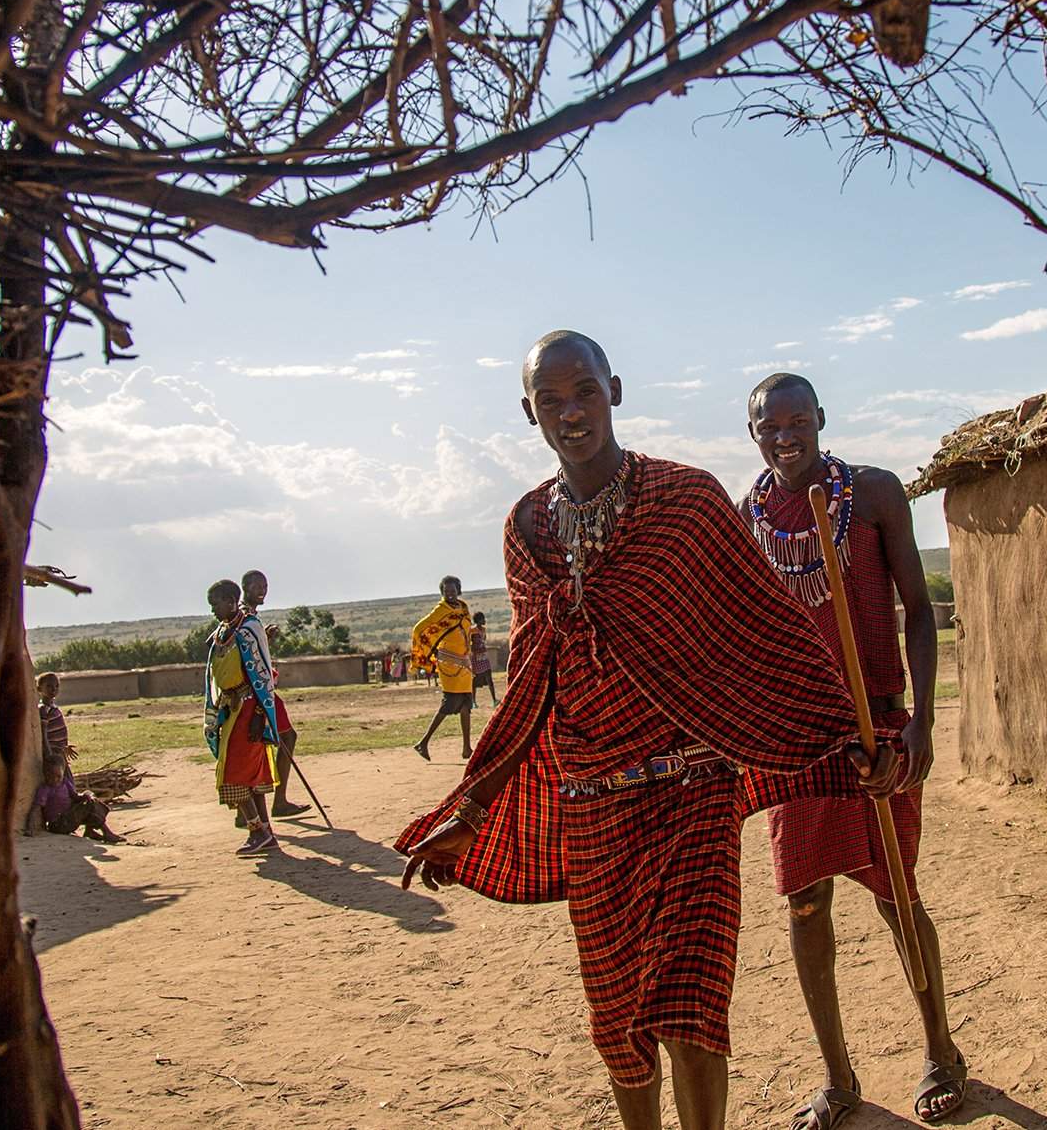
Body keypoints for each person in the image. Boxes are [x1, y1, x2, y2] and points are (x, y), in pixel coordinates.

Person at [397, 331, 902, 1130]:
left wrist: (848, 736)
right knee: (619, 1022)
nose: (571, 412)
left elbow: (765, 632)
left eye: (585, 391)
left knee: (691, 1007)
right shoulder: (528, 526)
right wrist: (471, 807)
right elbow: (530, 680)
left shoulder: (687, 501)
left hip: (694, 790)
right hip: (593, 802)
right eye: (551, 398)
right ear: (527, 410)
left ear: (615, 390)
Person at [743, 373, 967, 1127]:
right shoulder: (751, 519)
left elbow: (917, 610)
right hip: (800, 744)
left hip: (879, 728)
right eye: (769, 425)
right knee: (805, 905)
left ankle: (941, 1049)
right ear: (753, 434)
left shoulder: (871, 493)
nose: (785, 436)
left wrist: (921, 722)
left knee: (897, 894)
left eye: (798, 420)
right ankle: (838, 1077)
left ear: (820, 420)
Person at [202, 578, 282, 856]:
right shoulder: (224, 632)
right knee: (246, 774)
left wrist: (260, 714)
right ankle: (265, 833)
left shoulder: (248, 630)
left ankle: (257, 831)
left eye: (216, 605)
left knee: (234, 774)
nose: (213, 611)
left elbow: (262, 674)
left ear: (230, 601)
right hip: (232, 708)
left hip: (249, 708)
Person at [241, 569, 307, 817]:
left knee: (258, 745)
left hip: (258, 689)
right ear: (246, 587)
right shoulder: (244, 616)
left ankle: (247, 810)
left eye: (265, 585)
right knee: (285, 738)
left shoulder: (248, 616)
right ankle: (279, 802)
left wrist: (265, 638)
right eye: (257, 585)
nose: (263, 590)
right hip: (258, 691)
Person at [410, 576, 476, 759]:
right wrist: (426, 652)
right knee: (450, 703)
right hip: (448, 663)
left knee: (465, 705)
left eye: (453, 590)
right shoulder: (441, 610)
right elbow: (419, 629)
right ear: (442, 592)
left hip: (464, 663)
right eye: (446, 591)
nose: (450, 594)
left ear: (458, 590)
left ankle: (466, 748)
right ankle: (423, 742)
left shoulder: (463, 608)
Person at [25, 753, 125, 843]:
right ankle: (106, 832)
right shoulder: (45, 789)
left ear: (63, 773)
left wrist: (86, 795)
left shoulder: (65, 783)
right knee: (89, 805)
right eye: (50, 776)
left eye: (58, 776)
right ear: (44, 774)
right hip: (58, 824)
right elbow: (36, 807)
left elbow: (75, 797)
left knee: (90, 799)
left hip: (68, 818)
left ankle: (90, 830)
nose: (54, 780)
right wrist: (30, 828)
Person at [36, 671, 73, 767]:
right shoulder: (43, 709)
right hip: (52, 754)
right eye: (49, 686)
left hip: (59, 753)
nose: (54, 689)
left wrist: (64, 747)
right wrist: (49, 756)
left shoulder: (54, 708)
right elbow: (43, 735)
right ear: (39, 689)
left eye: (56, 686)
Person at [469, 611, 500, 705]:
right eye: (482, 619)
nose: (484, 620)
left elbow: (483, 640)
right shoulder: (472, 631)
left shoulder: (483, 630)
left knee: (489, 678)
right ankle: (473, 702)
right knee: (474, 680)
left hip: (484, 657)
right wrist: (477, 650)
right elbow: (471, 644)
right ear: (477, 621)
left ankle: (494, 700)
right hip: (475, 658)